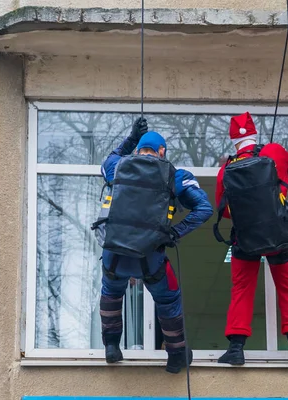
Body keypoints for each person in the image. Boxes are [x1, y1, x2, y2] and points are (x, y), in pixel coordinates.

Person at [98, 117, 213, 373]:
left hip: (114, 254)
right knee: (168, 299)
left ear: (138, 150)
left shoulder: (116, 166)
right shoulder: (174, 175)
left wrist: (130, 139)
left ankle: (112, 348)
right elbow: (204, 208)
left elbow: (109, 159)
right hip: (151, 256)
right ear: (162, 152)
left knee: (111, 293)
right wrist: (175, 232)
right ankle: (175, 357)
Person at [215, 112, 288, 365]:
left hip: (245, 239)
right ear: (254, 132)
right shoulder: (273, 151)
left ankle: (236, 350)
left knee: (242, 290)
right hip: (280, 235)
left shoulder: (226, 169)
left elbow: (225, 211)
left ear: (233, 140)